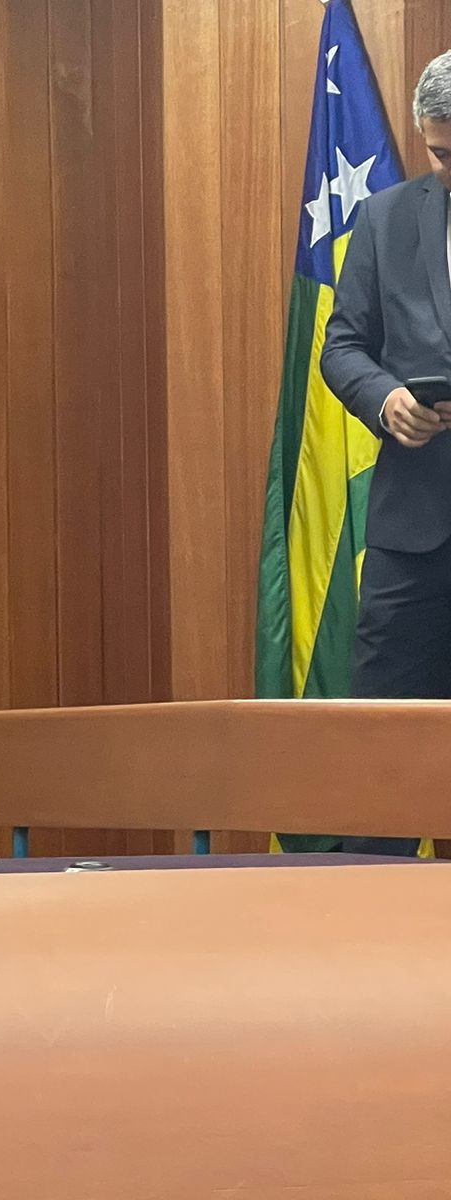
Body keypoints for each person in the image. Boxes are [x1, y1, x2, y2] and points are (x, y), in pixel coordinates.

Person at [321, 51, 451, 854]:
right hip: (413, 533)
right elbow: (342, 346)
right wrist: (385, 399)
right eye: (441, 154)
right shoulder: (385, 218)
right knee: (381, 763)